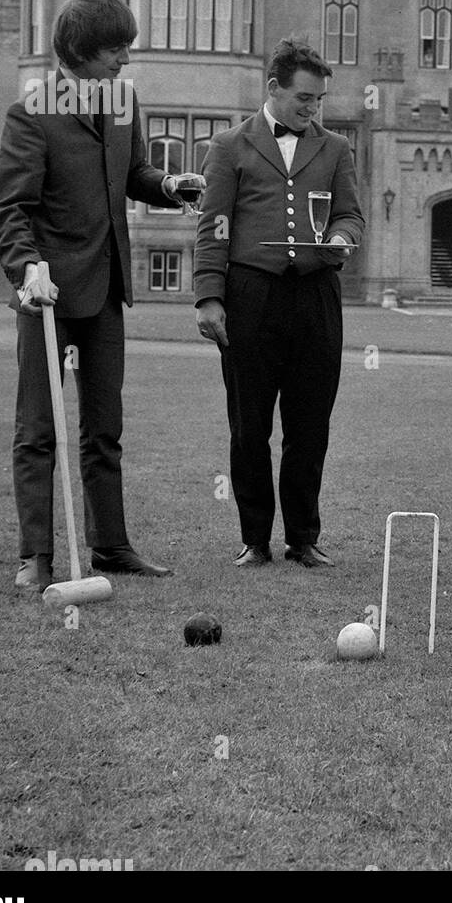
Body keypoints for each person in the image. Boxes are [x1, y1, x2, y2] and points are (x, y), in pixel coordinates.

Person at [0, 0, 202, 593]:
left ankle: (110, 546)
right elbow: (11, 209)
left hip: (106, 290)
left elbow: (132, 172)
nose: (126, 59)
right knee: (37, 429)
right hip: (47, 294)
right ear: (82, 50)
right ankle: (36, 557)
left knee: (103, 429)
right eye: (116, 48)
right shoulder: (31, 112)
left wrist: (166, 186)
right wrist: (28, 269)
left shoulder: (122, 104)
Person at [193, 40, 364, 569]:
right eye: (303, 98)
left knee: (310, 422)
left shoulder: (336, 150)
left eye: (319, 100)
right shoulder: (229, 146)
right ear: (273, 89)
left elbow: (352, 216)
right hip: (250, 296)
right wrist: (208, 296)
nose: (312, 109)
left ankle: (303, 538)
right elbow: (213, 225)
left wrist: (340, 240)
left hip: (315, 297)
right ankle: (254, 539)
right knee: (249, 425)